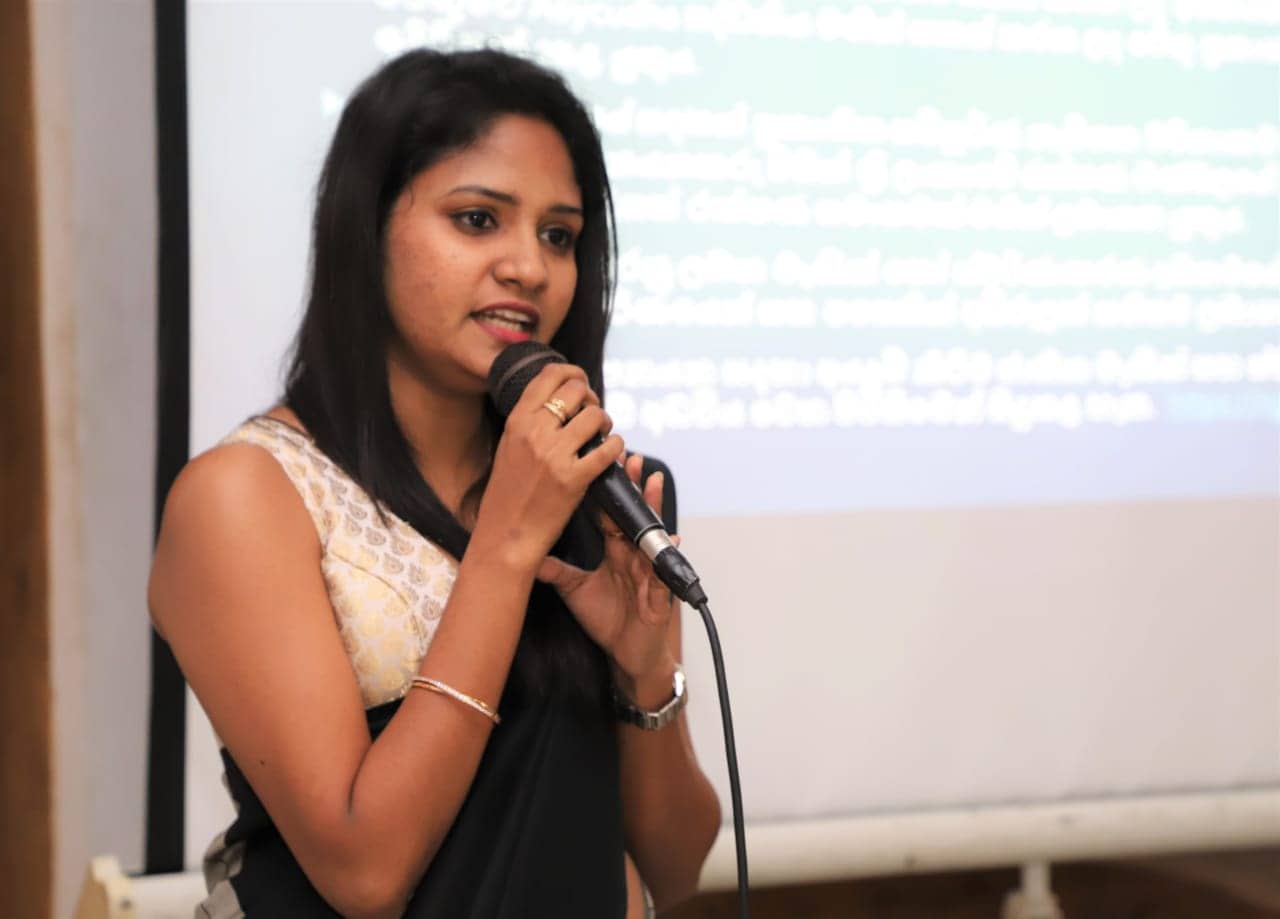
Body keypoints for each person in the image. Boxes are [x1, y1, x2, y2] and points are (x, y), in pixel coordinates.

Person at [148, 48, 721, 918]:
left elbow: (676, 870)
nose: (528, 267)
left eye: (558, 235)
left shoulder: (599, 492)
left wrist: (646, 675)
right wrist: (506, 546)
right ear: (367, 229)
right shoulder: (246, 497)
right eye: (478, 219)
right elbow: (366, 874)